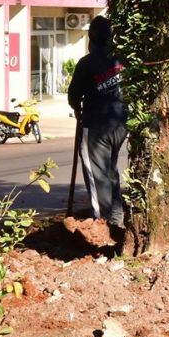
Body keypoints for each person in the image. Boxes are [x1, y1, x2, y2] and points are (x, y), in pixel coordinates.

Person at [67, 16, 127, 229]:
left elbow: (74, 95)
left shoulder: (87, 63)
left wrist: (77, 109)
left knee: (97, 175)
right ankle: (116, 217)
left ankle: (104, 225)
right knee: (109, 171)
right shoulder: (120, 59)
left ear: (91, 37)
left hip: (96, 128)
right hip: (120, 125)